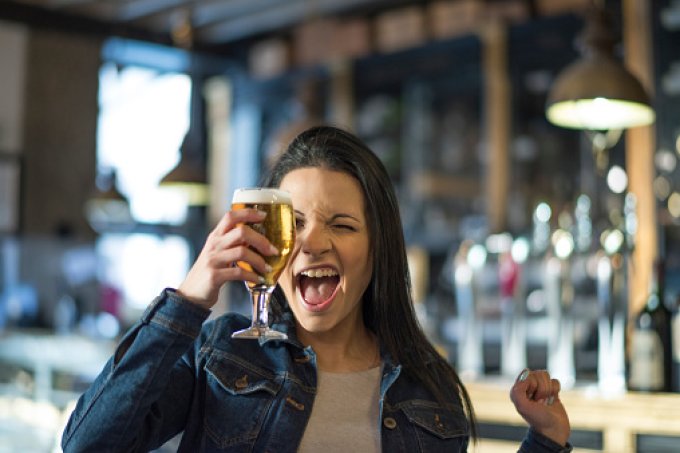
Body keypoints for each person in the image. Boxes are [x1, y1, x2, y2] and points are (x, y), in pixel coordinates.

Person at [61, 125, 571, 452]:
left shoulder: (428, 387)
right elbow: (89, 443)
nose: (311, 244)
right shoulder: (222, 353)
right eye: (293, 223)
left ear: (379, 248)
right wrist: (190, 299)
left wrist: (546, 440)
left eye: (342, 225)